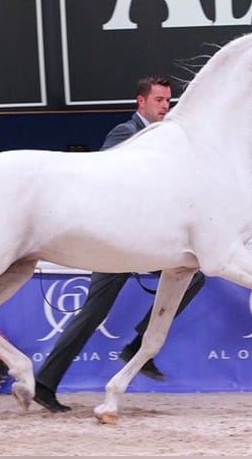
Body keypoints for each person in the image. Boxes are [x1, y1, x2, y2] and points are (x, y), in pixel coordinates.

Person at [34, 75, 206, 413]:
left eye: (168, 100)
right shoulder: (124, 134)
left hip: (148, 242)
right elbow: (109, 183)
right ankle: (44, 384)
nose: (165, 106)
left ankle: (139, 344)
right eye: (159, 100)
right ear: (141, 102)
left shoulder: (170, 139)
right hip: (115, 242)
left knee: (193, 276)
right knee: (93, 312)